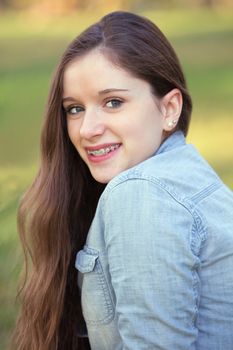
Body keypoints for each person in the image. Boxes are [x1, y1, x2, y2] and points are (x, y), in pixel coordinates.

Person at [13, 10, 233, 350]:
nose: (87, 130)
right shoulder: (188, 175)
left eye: (113, 102)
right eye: (74, 109)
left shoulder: (142, 192)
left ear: (169, 108)